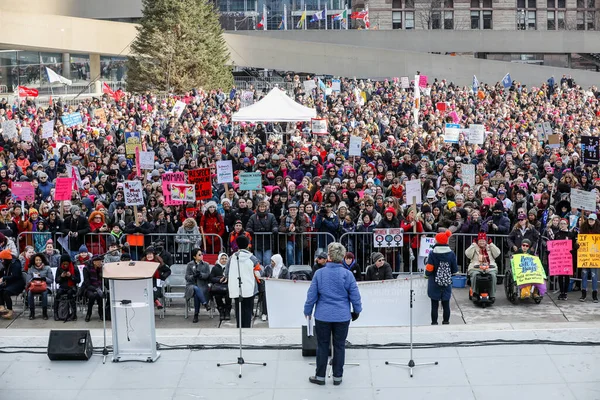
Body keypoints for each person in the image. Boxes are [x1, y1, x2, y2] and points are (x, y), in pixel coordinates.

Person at [304, 242, 362, 386]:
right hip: (342, 315)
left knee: (322, 345)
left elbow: (312, 295)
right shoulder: (347, 274)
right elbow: (355, 294)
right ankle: (337, 377)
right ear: (342, 257)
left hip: (323, 315)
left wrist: (307, 310)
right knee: (339, 345)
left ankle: (320, 376)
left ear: (329, 256)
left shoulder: (319, 273)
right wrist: (357, 310)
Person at [225, 235, 262, 328]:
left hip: (236, 287)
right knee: (248, 309)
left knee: (238, 309)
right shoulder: (252, 258)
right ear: (247, 245)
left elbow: (226, 272)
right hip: (249, 287)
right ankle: (247, 328)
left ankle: (239, 327)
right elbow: (259, 272)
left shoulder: (232, 257)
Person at [425, 230, 458, 325]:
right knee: (446, 304)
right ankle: (446, 322)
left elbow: (430, 268)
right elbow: (454, 269)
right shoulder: (451, 253)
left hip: (434, 282)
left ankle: (434, 323)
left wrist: (427, 274)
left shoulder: (432, 253)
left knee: (434, 305)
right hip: (446, 281)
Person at [465, 232, 501, 299]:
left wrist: (491, 244)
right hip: (476, 267)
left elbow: (497, 253)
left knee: (493, 276)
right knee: (475, 275)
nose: (482, 242)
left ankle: (492, 295)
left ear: (486, 241)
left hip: (490, 267)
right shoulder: (475, 246)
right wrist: (473, 244)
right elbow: (468, 254)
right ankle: (475, 293)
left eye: (483, 241)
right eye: (480, 241)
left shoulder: (489, 247)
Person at [185, 248, 211, 323]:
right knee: (195, 288)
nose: (201, 256)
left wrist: (200, 275)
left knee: (197, 294)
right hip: (191, 285)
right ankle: (205, 304)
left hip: (202, 285)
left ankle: (196, 314)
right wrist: (193, 276)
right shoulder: (190, 265)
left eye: (202, 254)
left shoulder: (206, 264)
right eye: (199, 254)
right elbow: (186, 277)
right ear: (194, 256)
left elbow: (208, 275)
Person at [578, 213, 600, 302]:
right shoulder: (583, 229)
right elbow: (579, 242)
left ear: (595, 221)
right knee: (584, 275)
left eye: (592, 220)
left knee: (594, 276)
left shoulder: (598, 230)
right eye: (589, 219)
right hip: (585, 256)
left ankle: (595, 294)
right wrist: (577, 245)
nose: (591, 221)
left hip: (594, 257)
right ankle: (583, 294)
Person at [53, 254, 81, 321]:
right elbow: (56, 280)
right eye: (64, 264)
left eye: (66, 264)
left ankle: (73, 314)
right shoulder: (59, 268)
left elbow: (78, 280)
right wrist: (61, 277)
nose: (65, 265)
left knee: (70, 293)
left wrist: (71, 276)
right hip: (62, 286)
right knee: (58, 294)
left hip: (72, 287)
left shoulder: (74, 268)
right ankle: (56, 313)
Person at [26, 253, 53, 320]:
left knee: (44, 293)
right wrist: (33, 279)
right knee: (29, 293)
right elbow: (28, 281)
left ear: (42, 260)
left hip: (45, 286)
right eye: (36, 260)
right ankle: (32, 313)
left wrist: (44, 278)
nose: (38, 262)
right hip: (34, 286)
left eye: (40, 260)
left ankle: (44, 312)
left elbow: (51, 280)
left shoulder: (47, 268)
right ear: (34, 261)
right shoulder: (31, 269)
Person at [0, 249, 24, 320]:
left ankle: (10, 310)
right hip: (10, 282)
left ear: (6, 259)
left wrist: (4, 278)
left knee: (6, 292)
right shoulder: (8, 263)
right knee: (0, 288)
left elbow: (15, 276)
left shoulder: (15, 264)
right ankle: (1, 306)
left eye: (3, 259)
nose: (2, 261)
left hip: (18, 283)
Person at [81, 254, 105, 322]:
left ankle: (101, 313)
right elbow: (87, 283)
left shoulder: (102, 269)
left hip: (99, 287)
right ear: (94, 262)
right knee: (92, 295)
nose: (101, 263)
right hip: (89, 288)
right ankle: (89, 313)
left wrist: (99, 289)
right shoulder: (86, 269)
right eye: (99, 261)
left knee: (100, 296)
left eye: (101, 261)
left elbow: (103, 281)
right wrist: (96, 289)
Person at [208, 253, 232, 320]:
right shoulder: (215, 268)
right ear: (219, 259)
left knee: (229, 295)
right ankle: (221, 311)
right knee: (217, 295)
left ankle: (227, 311)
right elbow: (211, 278)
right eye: (222, 258)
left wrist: (227, 279)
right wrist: (219, 280)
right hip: (218, 287)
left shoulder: (230, 268)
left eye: (225, 259)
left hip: (227, 287)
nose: (224, 260)